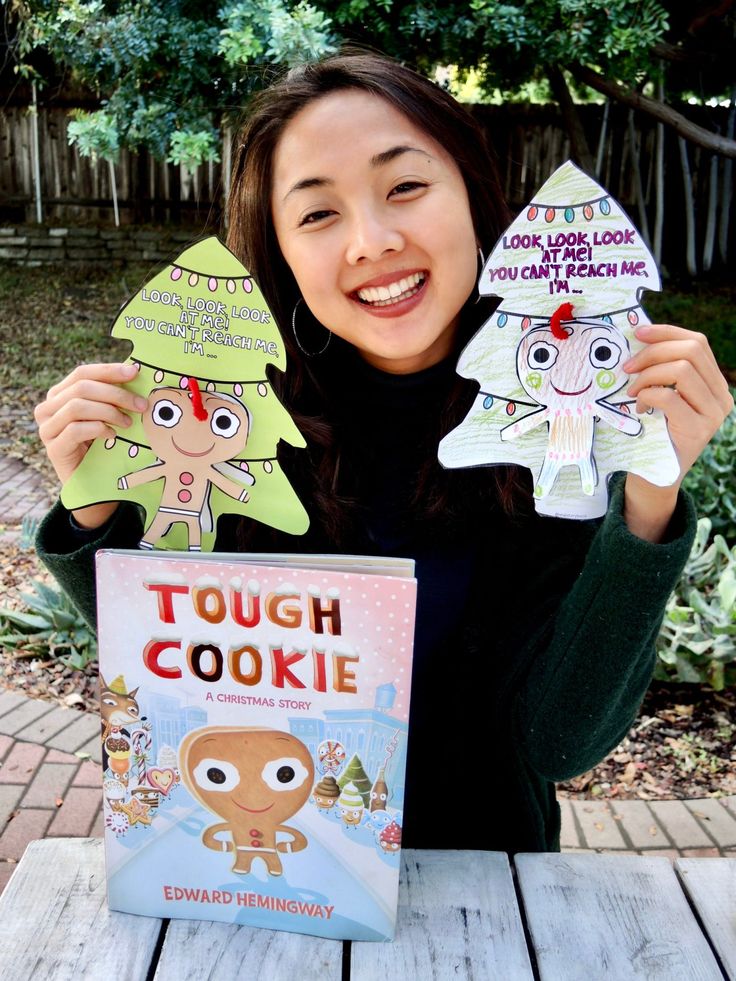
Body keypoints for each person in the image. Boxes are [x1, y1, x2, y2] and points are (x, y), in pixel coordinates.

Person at [34, 53, 733, 854]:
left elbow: (561, 743)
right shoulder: (240, 431)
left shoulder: (561, 430)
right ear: (282, 256)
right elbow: (172, 688)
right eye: (317, 214)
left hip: (488, 899)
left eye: (404, 187)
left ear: (473, 194)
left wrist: (649, 500)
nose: (372, 240)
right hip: (270, 880)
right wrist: (94, 508)